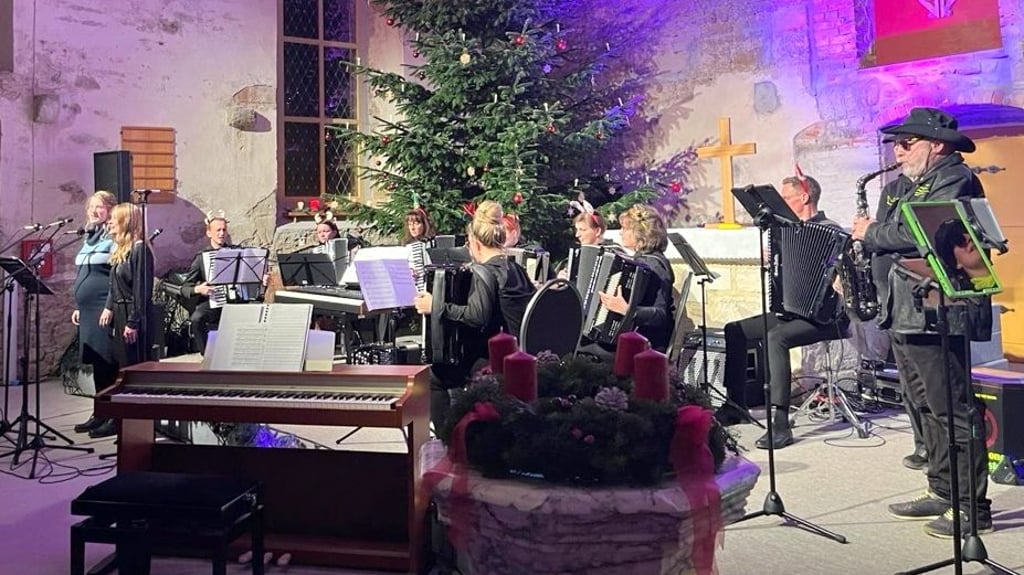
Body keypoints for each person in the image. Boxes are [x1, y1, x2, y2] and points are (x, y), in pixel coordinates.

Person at [851, 107, 992, 538]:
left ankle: (972, 507)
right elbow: (893, 233)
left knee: (953, 407)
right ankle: (942, 489)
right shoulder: (908, 184)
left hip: (938, 310)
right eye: (896, 143)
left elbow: (918, 233)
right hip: (906, 309)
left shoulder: (955, 177)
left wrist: (871, 233)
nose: (898, 151)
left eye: (907, 143)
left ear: (937, 145)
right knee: (925, 405)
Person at [720, 174, 849, 449]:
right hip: (792, 312)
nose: (780, 204)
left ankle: (780, 424)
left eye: (786, 198)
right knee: (735, 330)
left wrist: (840, 278)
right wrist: (775, 258)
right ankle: (736, 405)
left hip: (826, 318)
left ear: (804, 197)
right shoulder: (786, 234)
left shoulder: (832, 231)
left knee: (776, 338)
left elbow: (848, 279)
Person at [414, 201, 535, 431]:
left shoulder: (483, 272)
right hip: (523, 353)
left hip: (494, 359)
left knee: (432, 378)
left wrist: (435, 306)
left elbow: (477, 316)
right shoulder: (517, 269)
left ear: (475, 243)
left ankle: (448, 439)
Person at [94, 203, 155, 438]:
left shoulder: (140, 250)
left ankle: (129, 424)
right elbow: (114, 284)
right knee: (120, 368)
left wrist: (133, 322)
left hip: (132, 314)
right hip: (120, 312)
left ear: (126, 222)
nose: (109, 223)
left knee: (131, 370)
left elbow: (141, 291)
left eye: (114, 219)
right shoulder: (123, 249)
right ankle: (117, 418)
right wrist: (109, 308)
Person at [594, 204, 676, 352]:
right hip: (634, 338)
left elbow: (660, 315)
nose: (620, 233)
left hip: (645, 344)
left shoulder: (654, 265)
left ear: (641, 233)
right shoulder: (645, 260)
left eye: (625, 228)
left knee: (584, 345)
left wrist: (626, 310)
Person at [71, 191, 119, 437]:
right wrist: (79, 306)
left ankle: (114, 416)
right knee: (97, 363)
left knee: (107, 362)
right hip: (88, 311)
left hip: (103, 308)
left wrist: (109, 306)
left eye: (99, 206)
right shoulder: (88, 237)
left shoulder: (114, 238)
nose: (93, 211)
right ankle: (99, 412)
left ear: (110, 209)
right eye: (91, 206)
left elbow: (116, 277)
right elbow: (84, 276)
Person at [180, 214, 231, 354]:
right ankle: (206, 354)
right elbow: (185, 288)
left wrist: (262, 279)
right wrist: (198, 289)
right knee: (197, 318)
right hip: (214, 301)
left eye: (224, 230)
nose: (222, 233)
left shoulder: (235, 253)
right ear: (209, 233)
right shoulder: (202, 257)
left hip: (235, 301)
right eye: (218, 230)